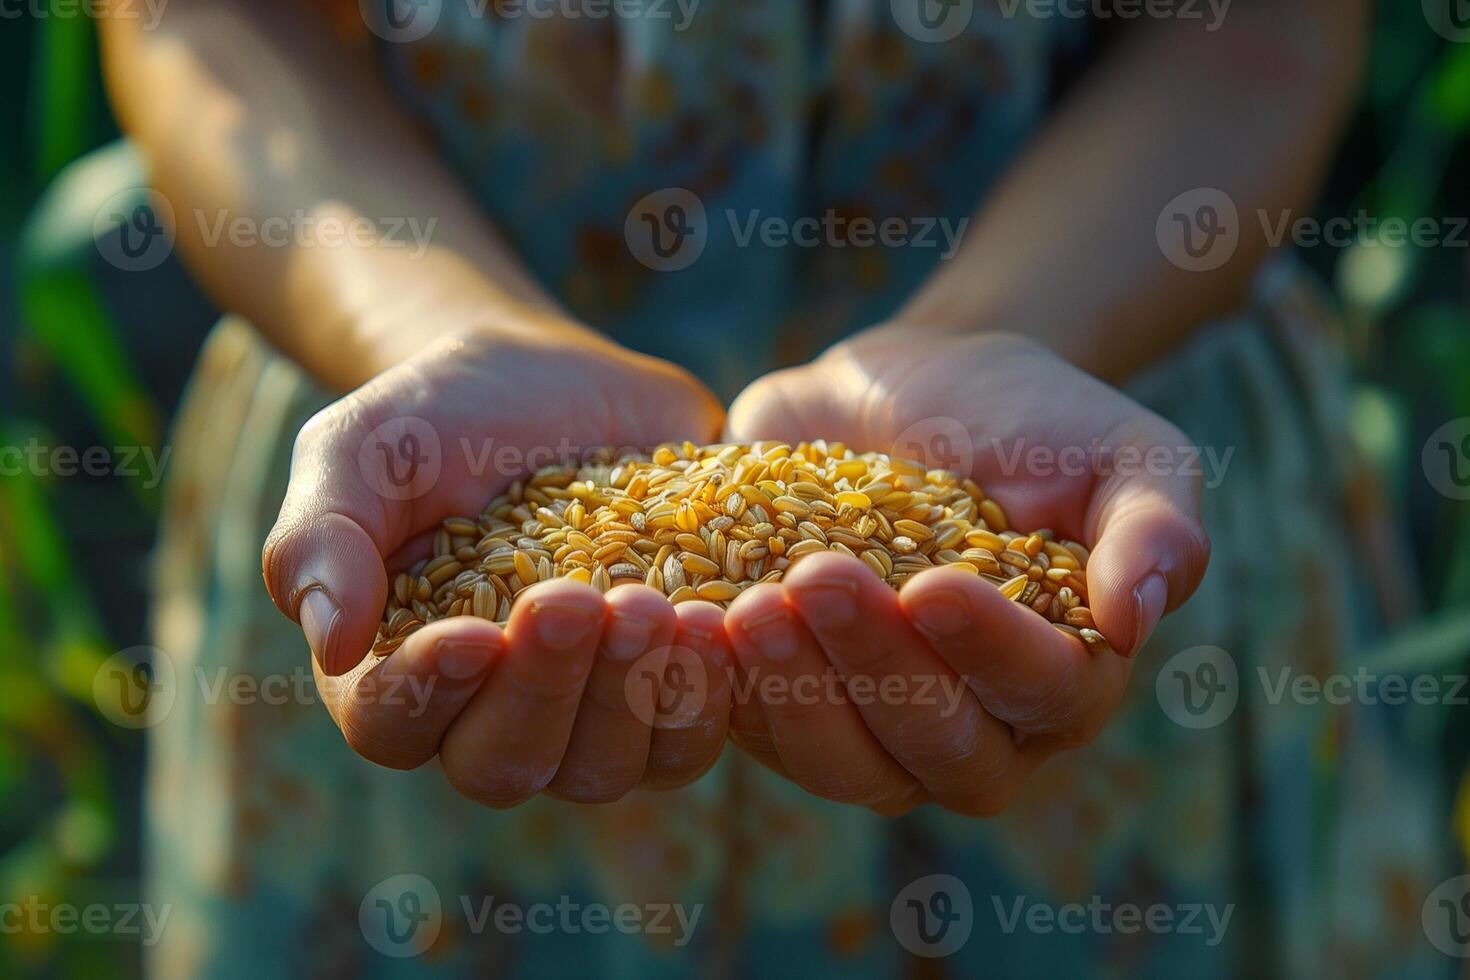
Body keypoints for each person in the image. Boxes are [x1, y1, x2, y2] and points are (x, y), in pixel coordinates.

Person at [103, 0, 1447, 975]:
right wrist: (428, 330)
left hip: (1075, 401)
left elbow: (1257, 32)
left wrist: (1005, 328)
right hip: (420, 423)